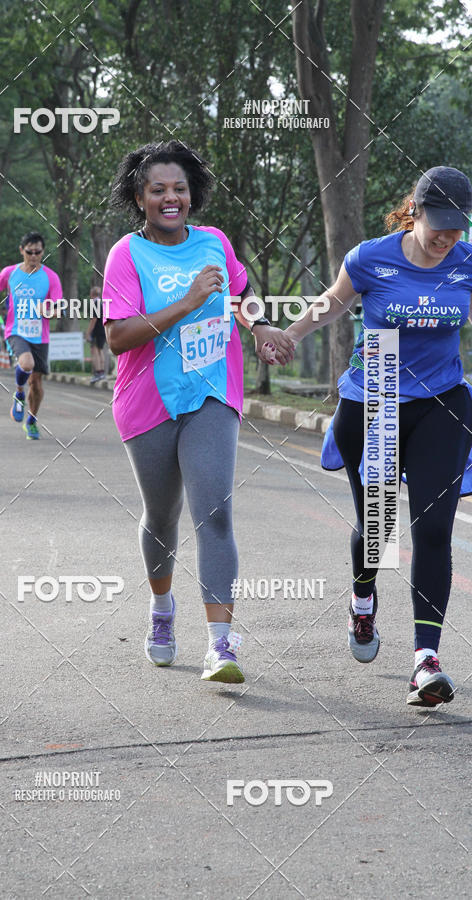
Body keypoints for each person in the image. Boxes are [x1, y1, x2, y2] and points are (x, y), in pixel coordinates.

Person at [103, 140, 294, 683]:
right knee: (162, 518)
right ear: (140, 197)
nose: (171, 198)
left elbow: (241, 294)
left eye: (180, 189)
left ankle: (221, 645)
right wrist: (186, 303)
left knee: (215, 513)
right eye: (158, 189)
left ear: (192, 195)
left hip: (212, 393)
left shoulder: (213, 242)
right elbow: (118, 338)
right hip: (147, 402)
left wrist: (259, 328)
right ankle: (162, 611)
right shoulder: (126, 255)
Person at [283, 166, 472, 707]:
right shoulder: (372, 256)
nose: (446, 237)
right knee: (380, 528)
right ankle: (363, 597)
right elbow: (332, 303)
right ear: (414, 212)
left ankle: (425, 660)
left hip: (442, 401)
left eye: (457, 227)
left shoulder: (466, 262)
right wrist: (291, 334)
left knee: (433, 528)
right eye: (438, 224)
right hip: (377, 394)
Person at [0, 231, 62, 440]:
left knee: (37, 383)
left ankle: (32, 420)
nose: (33, 256)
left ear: (43, 252)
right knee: (26, 364)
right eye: (29, 252)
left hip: (40, 336)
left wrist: (49, 312)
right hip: (16, 330)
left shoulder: (51, 277)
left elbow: (60, 307)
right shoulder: (10, 273)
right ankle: (18, 393)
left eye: (38, 252)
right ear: (21, 251)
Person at [86, 284, 107, 383]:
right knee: (100, 350)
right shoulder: (102, 303)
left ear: (91, 294)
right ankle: (102, 372)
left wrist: (88, 332)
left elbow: (93, 319)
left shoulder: (95, 304)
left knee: (94, 351)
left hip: (97, 331)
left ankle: (98, 373)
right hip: (103, 330)